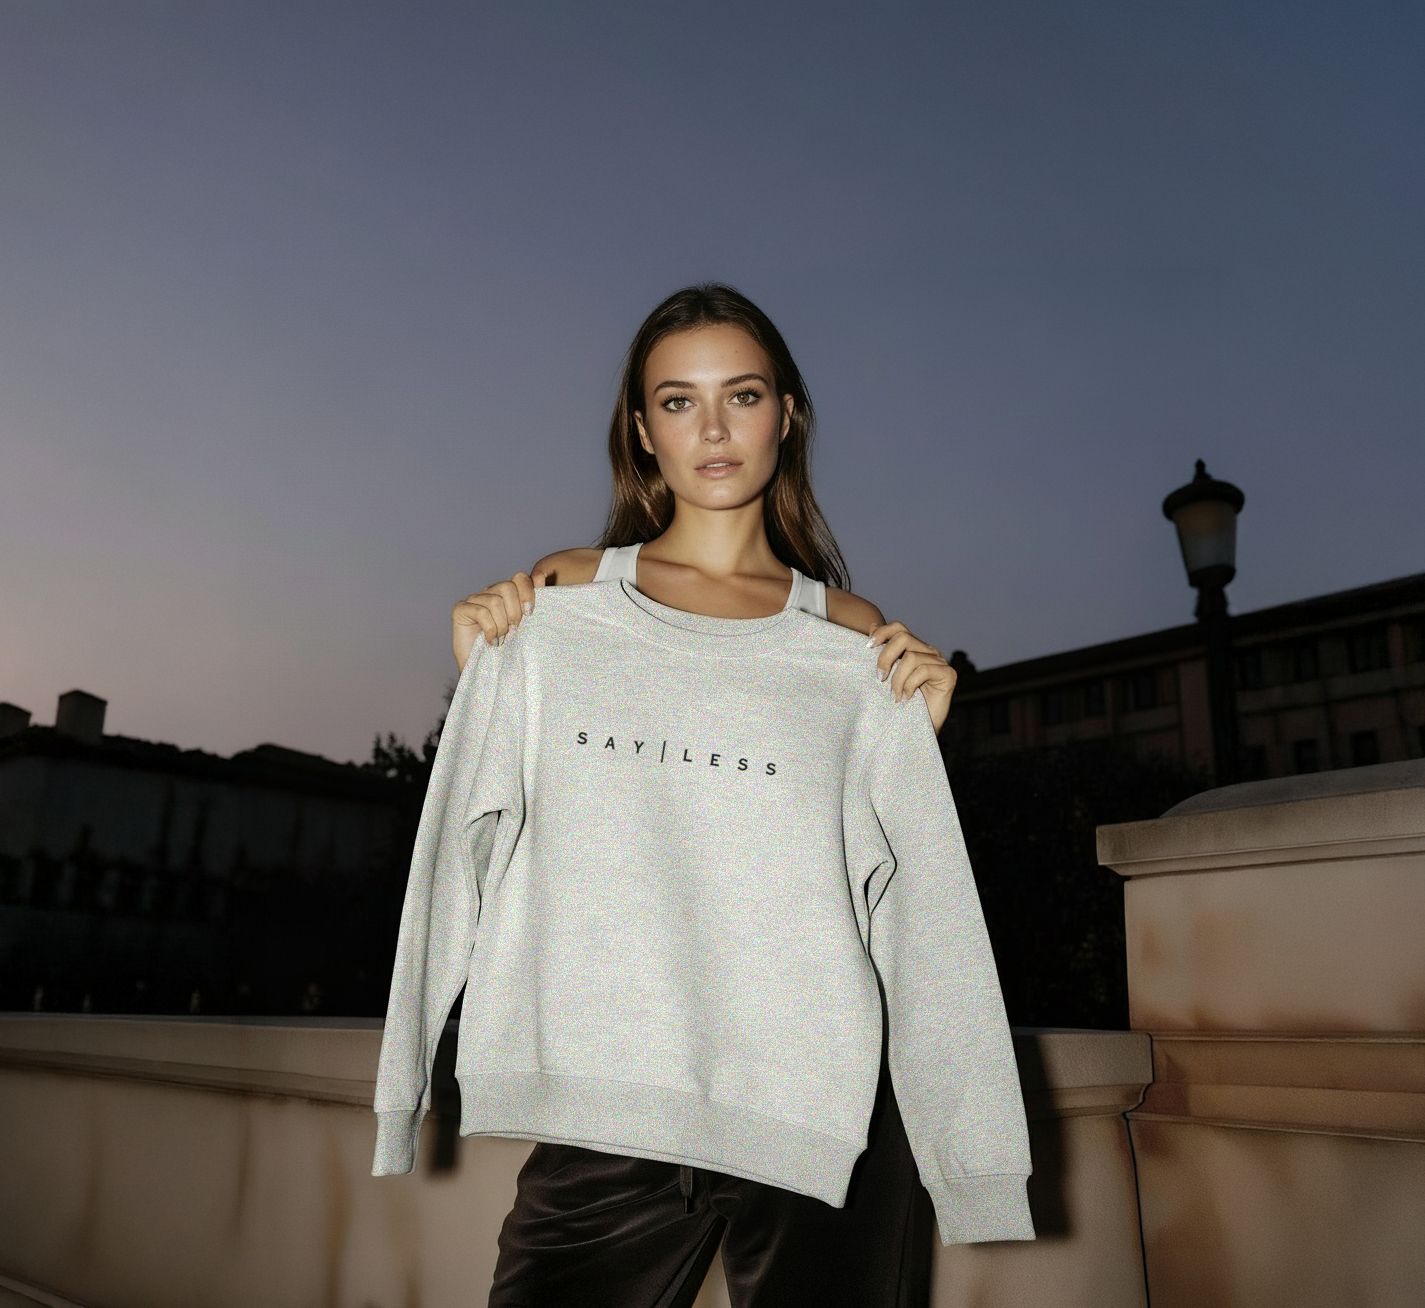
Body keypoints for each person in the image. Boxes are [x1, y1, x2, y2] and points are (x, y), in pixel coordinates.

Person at [373, 285, 1031, 1306]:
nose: (713, 428)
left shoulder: (852, 638)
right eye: (677, 401)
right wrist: (484, 681)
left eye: (742, 396)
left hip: (829, 1124)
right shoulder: (565, 599)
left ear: (785, 415)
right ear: (641, 431)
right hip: (607, 1114)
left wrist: (917, 743)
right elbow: (460, 843)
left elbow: (920, 916)